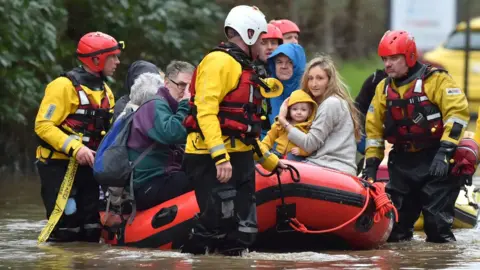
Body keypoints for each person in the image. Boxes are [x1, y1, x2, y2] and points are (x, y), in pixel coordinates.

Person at [181, 5, 285, 256]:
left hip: (239, 156)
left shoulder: (244, 67)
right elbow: (206, 112)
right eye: (262, 40)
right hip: (210, 157)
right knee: (217, 224)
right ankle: (193, 258)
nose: (266, 48)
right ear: (249, 35)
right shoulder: (219, 62)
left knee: (244, 231)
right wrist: (219, 157)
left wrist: (268, 159)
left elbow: (244, 130)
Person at [363, 30, 470, 243]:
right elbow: (373, 131)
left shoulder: (436, 80)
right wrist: (371, 166)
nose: (388, 64)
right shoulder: (383, 89)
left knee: (436, 226)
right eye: (385, 59)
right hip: (403, 162)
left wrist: (445, 151)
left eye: (394, 58)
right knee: (396, 231)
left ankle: (442, 261)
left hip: (437, 160)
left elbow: (457, 114)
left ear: (410, 57)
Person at [35, 31, 122, 242]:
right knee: (66, 228)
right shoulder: (62, 86)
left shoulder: (106, 92)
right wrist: (75, 148)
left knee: (91, 228)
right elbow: (43, 125)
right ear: (96, 59)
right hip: (59, 166)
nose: (118, 62)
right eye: (113, 57)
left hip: (88, 169)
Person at [276, 55, 361, 176]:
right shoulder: (327, 103)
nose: (314, 84)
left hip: (332, 167)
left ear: (329, 81)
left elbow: (309, 144)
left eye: (319, 78)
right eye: (310, 78)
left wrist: (283, 121)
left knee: (280, 167)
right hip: (327, 165)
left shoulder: (331, 104)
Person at [126, 67, 192, 211]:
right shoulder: (154, 105)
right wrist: (186, 103)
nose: (185, 91)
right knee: (201, 181)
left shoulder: (172, 108)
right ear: (167, 83)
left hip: (165, 178)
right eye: (181, 85)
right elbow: (174, 133)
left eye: (190, 87)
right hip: (148, 184)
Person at [262, 89, 317, 161]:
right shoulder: (280, 124)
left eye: (303, 110)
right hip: (277, 152)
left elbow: (311, 147)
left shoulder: (308, 128)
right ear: (288, 110)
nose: (299, 112)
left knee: (293, 157)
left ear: (310, 112)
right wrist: (263, 148)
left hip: (294, 157)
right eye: (294, 109)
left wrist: (301, 152)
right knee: (265, 157)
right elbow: (269, 138)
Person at [267, 43, 306, 126]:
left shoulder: (308, 91)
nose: (284, 66)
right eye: (279, 62)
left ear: (297, 66)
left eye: (290, 62)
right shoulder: (266, 89)